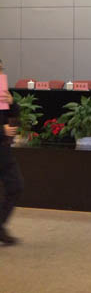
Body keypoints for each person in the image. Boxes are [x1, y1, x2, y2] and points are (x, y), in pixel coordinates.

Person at [0, 59, 24, 246]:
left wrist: (12, 103)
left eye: (1, 69)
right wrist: (2, 130)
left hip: (4, 150)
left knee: (16, 186)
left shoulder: (2, 91)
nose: (1, 73)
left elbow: (13, 116)